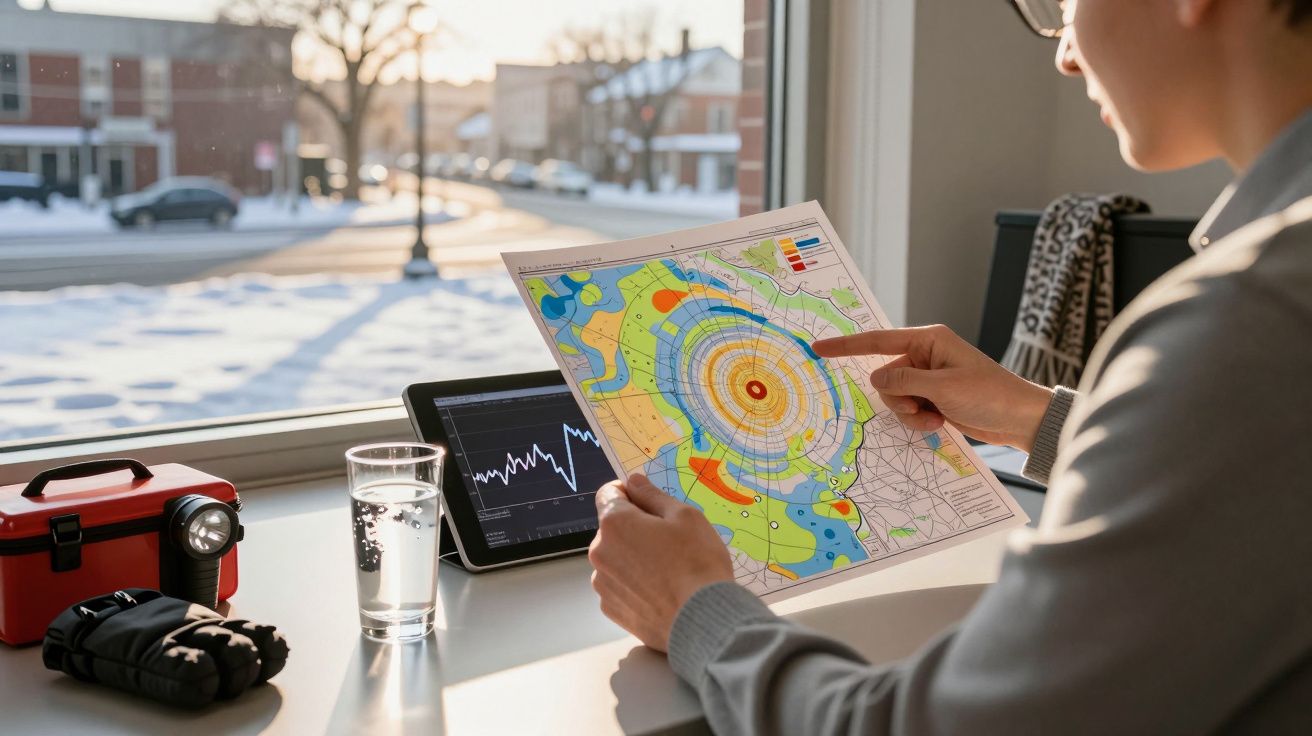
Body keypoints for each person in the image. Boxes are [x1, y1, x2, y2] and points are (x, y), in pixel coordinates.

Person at [586, 0, 1312, 732]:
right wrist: (1042, 418)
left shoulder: (1253, 318)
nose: (1064, 55)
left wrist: (694, 612)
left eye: (1065, 4)